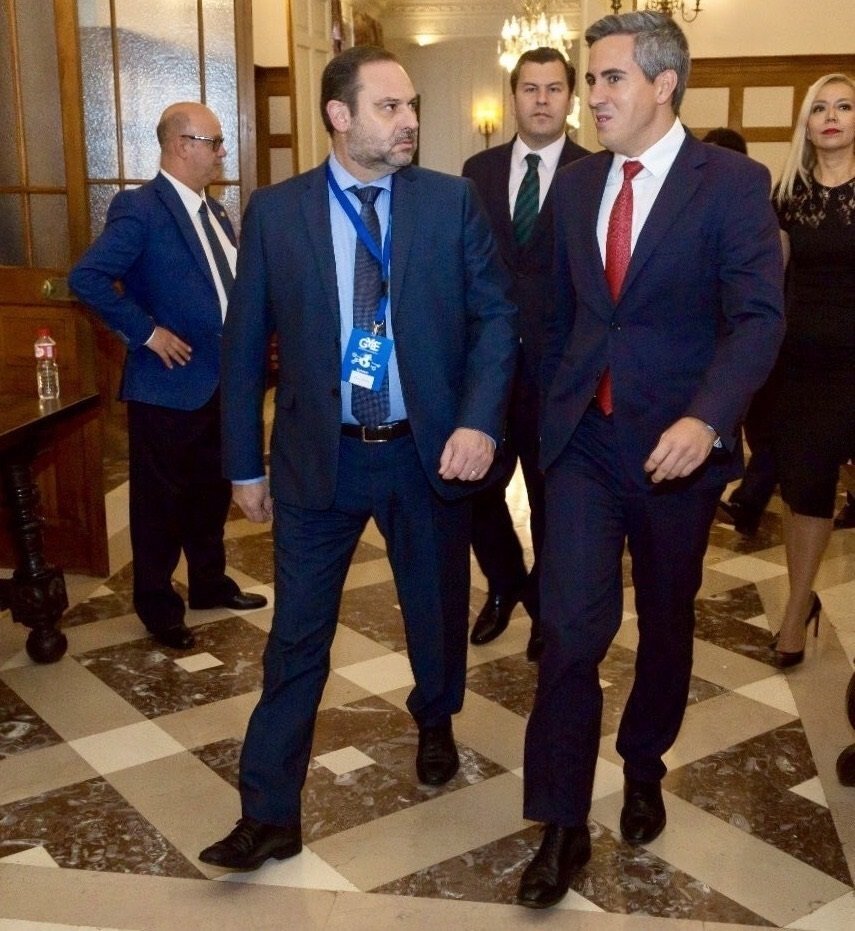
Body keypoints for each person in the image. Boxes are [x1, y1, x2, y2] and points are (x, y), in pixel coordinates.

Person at [198, 46, 518, 871]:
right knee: (294, 640)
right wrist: (243, 464)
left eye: (411, 106)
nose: (408, 121)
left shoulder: (448, 202)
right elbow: (242, 346)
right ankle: (268, 812)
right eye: (389, 107)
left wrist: (478, 421)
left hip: (424, 454)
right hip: (320, 460)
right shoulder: (278, 212)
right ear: (338, 116)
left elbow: (495, 318)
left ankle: (435, 715)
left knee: (435, 611)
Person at [516, 11, 785, 909]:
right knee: (567, 630)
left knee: (666, 620)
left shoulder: (732, 184)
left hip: (677, 451)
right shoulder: (575, 185)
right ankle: (560, 822)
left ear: (663, 84)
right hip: (584, 448)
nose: (590, 97)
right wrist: (546, 418)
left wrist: (707, 419)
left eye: (609, 79)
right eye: (589, 80)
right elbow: (561, 317)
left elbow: (757, 319)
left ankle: (642, 764)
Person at [69, 102, 267, 652]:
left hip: (219, 382)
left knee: (210, 492)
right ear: (182, 144)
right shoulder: (140, 208)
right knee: (159, 505)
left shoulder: (216, 212)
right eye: (214, 142)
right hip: (168, 384)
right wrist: (146, 332)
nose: (222, 152)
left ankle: (209, 583)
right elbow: (87, 277)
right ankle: (158, 606)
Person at [462, 48, 588, 661]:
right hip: (487, 367)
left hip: (558, 370)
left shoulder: (595, 171)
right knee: (473, 488)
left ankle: (543, 605)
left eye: (554, 88)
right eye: (530, 88)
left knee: (551, 501)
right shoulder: (476, 171)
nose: (542, 100)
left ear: (571, 98)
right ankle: (506, 581)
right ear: (513, 96)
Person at [767, 73, 855, 667]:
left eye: (844, 106)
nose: (831, 117)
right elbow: (770, 281)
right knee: (804, 491)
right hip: (800, 366)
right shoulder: (788, 194)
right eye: (820, 107)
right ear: (806, 122)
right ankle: (797, 610)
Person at [701, 128, 780, 536]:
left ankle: (748, 501)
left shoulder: (749, 205)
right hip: (709, 352)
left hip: (752, 345)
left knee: (764, 434)